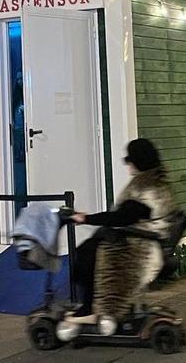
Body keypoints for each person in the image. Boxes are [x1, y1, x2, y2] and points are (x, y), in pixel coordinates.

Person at [65, 138, 176, 324]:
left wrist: (85, 219)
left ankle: (91, 309)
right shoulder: (156, 182)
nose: (127, 165)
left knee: (87, 254)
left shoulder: (146, 188)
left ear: (138, 161)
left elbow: (123, 217)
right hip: (146, 240)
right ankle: (90, 305)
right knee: (91, 246)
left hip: (140, 248)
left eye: (129, 161)